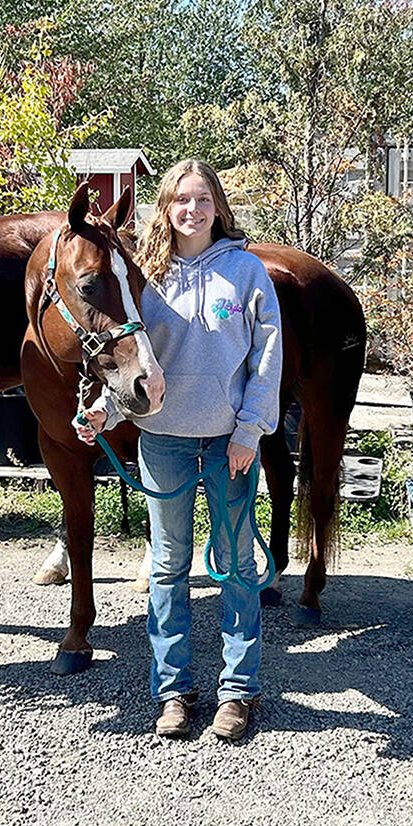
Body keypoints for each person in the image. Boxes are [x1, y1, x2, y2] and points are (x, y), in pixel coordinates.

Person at [77, 159, 282, 741]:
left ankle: (238, 691)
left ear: (218, 206)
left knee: (237, 566)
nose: (191, 210)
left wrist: (250, 430)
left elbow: (268, 360)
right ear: (166, 207)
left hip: (228, 444)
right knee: (167, 567)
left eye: (202, 199)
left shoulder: (246, 272)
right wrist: (105, 410)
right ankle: (173, 690)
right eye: (180, 200)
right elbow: (134, 360)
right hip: (163, 439)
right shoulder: (149, 275)